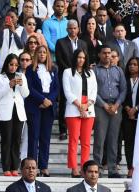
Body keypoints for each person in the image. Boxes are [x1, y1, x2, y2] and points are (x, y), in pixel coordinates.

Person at [61, 48, 96, 178]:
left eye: (83, 57)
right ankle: (74, 168)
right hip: (73, 108)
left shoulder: (91, 73)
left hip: (89, 107)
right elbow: (67, 91)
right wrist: (79, 105)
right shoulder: (67, 72)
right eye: (79, 57)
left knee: (86, 142)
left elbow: (94, 91)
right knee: (74, 140)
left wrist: (87, 105)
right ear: (75, 58)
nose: (81, 60)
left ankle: (84, 168)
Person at [93, 46, 127, 177]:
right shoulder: (94, 71)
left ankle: (112, 169)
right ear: (100, 55)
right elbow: (92, 90)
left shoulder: (118, 70)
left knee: (113, 139)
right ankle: (97, 169)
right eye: (105, 53)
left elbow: (123, 89)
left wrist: (117, 104)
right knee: (99, 139)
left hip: (116, 107)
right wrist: (104, 105)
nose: (107, 56)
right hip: (101, 107)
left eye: (109, 53)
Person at [25, 44, 57, 177]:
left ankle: (44, 166)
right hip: (35, 105)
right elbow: (30, 88)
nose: (42, 54)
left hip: (48, 107)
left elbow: (56, 88)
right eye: (40, 52)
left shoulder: (53, 69)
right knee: (34, 137)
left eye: (44, 52)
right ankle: (33, 166)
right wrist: (42, 100)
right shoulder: (30, 70)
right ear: (36, 54)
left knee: (45, 138)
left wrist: (49, 100)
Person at [0, 53, 29, 176]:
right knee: (6, 140)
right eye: (11, 64)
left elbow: (26, 94)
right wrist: (9, 85)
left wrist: (21, 85)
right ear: (7, 64)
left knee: (17, 140)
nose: (13, 67)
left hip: (18, 112)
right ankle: (6, 168)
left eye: (15, 65)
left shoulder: (21, 76)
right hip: (5, 113)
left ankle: (15, 167)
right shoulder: (0, 77)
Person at [54, 19, 87, 140]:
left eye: (75, 28)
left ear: (78, 29)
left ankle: (78, 130)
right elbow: (59, 60)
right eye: (70, 28)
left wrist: (79, 71)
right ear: (67, 29)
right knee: (63, 101)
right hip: (66, 76)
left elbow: (85, 59)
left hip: (81, 77)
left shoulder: (83, 43)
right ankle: (63, 130)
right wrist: (71, 72)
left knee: (79, 100)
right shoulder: (60, 42)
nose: (73, 30)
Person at [121, 56, 139, 178]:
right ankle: (130, 168)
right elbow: (120, 94)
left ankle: (138, 167)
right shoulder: (124, 79)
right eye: (130, 64)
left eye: (134, 64)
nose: (132, 66)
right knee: (128, 143)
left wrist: (136, 108)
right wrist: (127, 108)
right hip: (126, 114)